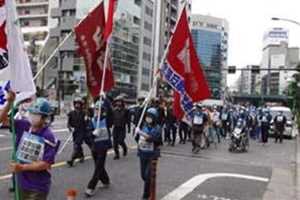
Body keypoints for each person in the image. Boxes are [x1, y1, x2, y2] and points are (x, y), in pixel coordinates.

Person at [0, 91, 60, 200]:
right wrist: (9, 103)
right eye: (32, 113)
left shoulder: (48, 136)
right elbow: (2, 120)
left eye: (36, 114)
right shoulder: (24, 125)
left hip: (37, 187)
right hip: (21, 183)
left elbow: (45, 164)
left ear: (44, 118)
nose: (33, 116)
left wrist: (22, 167)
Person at [85, 101, 112, 197]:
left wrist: (105, 99)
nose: (97, 111)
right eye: (96, 109)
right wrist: (92, 134)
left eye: (99, 109)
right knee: (99, 166)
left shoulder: (107, 120)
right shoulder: (91, 121)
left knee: (98, 168)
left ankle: (91, 187)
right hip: (94, 147)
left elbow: (111, 112)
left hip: (103, 147)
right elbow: (87, 135)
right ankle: (106, 180)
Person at [135, 107, 161, 200]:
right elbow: (138, 139)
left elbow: (151, 138)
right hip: (143, 153)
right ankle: (150, 186)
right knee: (143, 175)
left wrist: (141, 133)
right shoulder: (143, 126)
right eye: (147, 116)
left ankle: (146, 195)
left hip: (152, 155)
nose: (148, 118)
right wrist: (137, 133)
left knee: (148, 175)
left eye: (151, 117)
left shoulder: (157, 128)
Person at [67, 97, 92, 167]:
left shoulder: (85, 113)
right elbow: (68, 123)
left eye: (79, 104)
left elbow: (88, 122)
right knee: (77, 145)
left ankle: (72, 160)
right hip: (75, 132)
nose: (77, 105)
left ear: (81, 105)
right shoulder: (71, 113)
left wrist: (87, 118)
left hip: (83, 131)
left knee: (89, 144)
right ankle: (80, 157)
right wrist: (70, 128)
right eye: (76, 104)